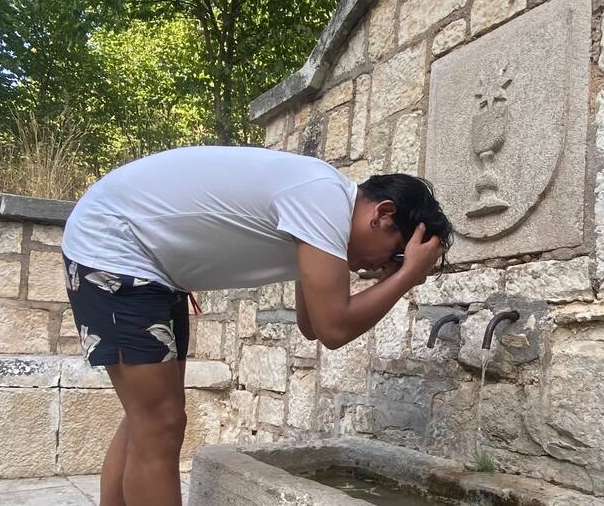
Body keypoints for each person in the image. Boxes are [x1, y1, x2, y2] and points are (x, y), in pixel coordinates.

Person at [60, 145, 453, 506]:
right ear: (382, 214)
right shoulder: (323, 199)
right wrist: (407, 277)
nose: (382, 268)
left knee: (149, 419)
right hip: (115, 246)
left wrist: (400, 273)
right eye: (396, 256)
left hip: (150, 264)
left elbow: (313, 326)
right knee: (159, 422)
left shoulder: (321, 210)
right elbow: (334, 329)